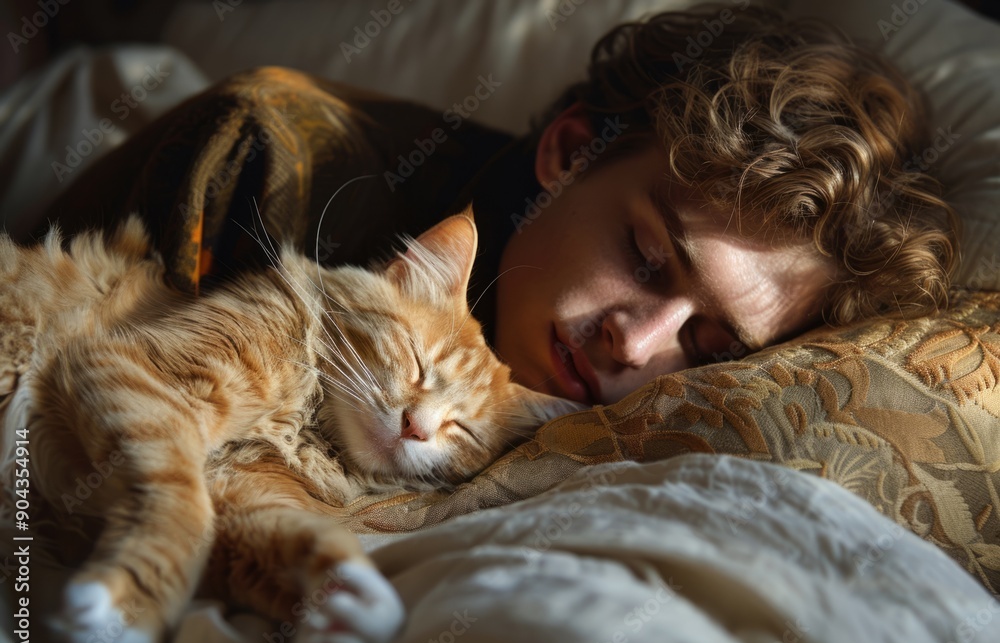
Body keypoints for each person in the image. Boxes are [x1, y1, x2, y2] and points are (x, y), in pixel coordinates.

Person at [35, 6, 959, 407]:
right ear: (567, 152)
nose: (637, 348)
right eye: (644, 258)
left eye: (708, 347)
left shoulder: (643, 422)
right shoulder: (264, 171)